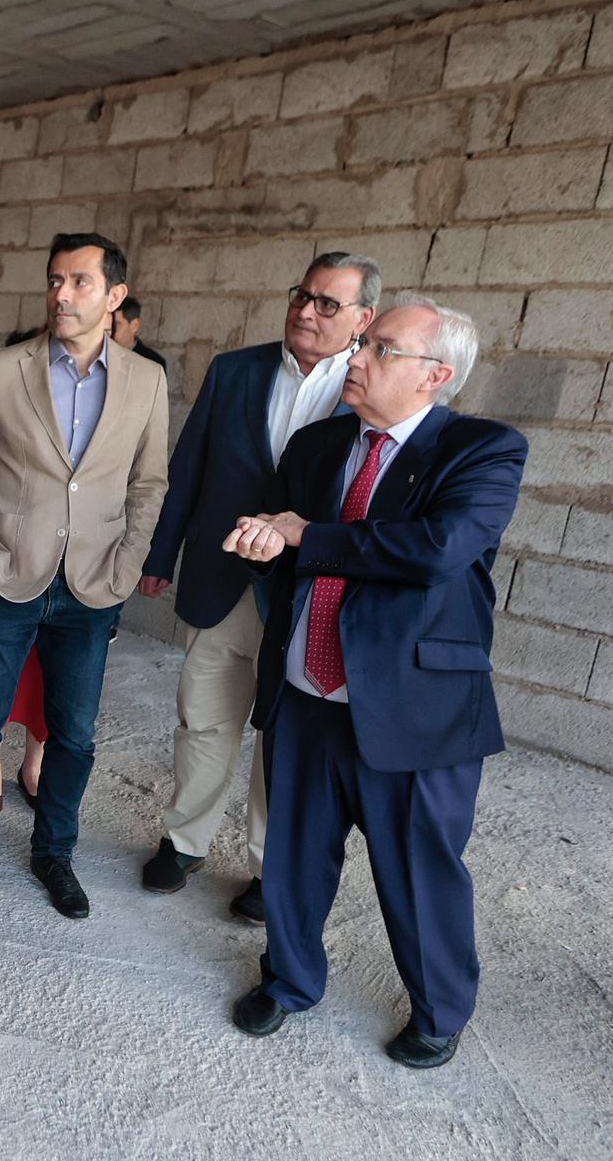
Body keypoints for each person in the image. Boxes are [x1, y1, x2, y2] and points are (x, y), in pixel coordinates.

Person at [223, 293, 526, 1070]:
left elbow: (435, 549)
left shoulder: (484, 451)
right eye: (363, 343)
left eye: (380, 348)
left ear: (435, 374)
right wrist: (270, 537)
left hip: (412, 704)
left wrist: (307, 534)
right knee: (292, 855)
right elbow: (299, 546)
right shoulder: (320, 445)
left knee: (419, 871)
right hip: (307, 690)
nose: (355, 358)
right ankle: (288, 977)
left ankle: (439, 1008)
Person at [0, 233, 168, 919]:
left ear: (114, 296)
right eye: (55, 281)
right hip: (2, 574)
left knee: (74, 731)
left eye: (80, 282)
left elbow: (149, 483)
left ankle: (53, 852)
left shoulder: (146, 381)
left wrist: (128, 563)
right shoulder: (3, 369)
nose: (61, 294)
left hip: (93, 584)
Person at [136, 254, 382, 923]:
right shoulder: (235, 370)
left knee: (284, 739)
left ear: (363, 320)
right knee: (205, 716)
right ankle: (184, 841)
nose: (306, 311)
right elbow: (186, 471)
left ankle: (268, 868)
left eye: (328, 304)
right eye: (302, 295)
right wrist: (160, 554)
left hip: (306, 596)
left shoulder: (367, 388)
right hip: (221, 578)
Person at [111, 294, 167, 370]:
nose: (110, 329)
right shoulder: (98, 354)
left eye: (116, 324)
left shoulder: (154, 364)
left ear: (134, 325)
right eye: (109, 323)